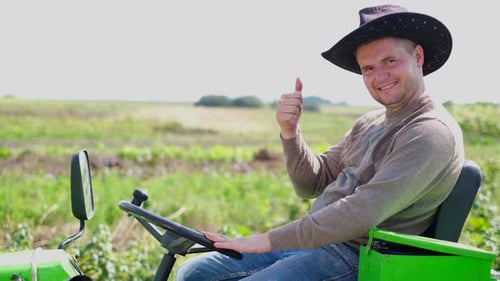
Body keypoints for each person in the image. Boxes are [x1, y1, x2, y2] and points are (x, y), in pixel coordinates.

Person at [175, 4, 464, 281]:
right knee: (194, 273)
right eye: (368, 68)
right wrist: (290, 132)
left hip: (359, 255)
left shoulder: (429, 132)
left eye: (390, 61)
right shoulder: (370, 122)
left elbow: (361, 212)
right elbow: (312, 183)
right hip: (319, 242)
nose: (380, 76)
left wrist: (266, 240)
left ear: (418, 57)